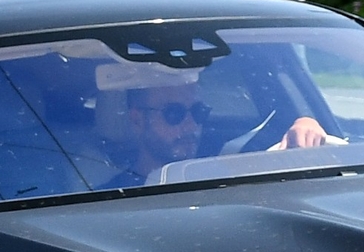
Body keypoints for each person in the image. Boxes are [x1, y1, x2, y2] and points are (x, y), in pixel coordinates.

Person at [98, 65, 339, 188]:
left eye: (198, 112)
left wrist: (304, 124)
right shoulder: (108, 199)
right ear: (138, 120)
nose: (191, 124)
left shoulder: (225, 163)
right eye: (174, 114)